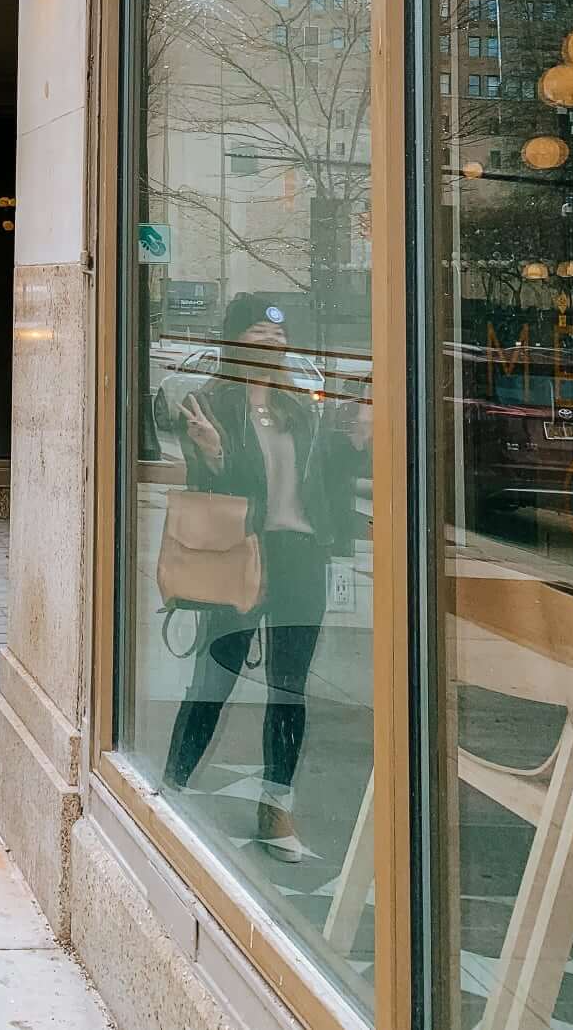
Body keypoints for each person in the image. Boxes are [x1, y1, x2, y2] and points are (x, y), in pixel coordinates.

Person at [161, 294, 369, 860]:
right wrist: (216, 452)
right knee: (215, 678)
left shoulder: (299, 405)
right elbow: (217, 488)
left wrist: (358, 443)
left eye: (277, 342)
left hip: (300, 556)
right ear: (235, 344)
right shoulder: (210, 404)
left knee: (288, 689)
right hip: (241, 553)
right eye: (257, 339)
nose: (270, 349)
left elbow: (326, 479)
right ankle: (172, 787)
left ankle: (275, 811)